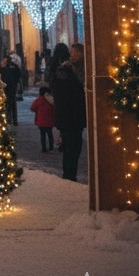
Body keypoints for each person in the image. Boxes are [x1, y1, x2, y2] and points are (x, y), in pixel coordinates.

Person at [52, 42, 87, 181]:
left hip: (73, 116)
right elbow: (64, 95)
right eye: (72, 53)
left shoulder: (78, 69)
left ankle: (70, 175)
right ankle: (69, 177)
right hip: (70, 116)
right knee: (71, 149)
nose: (73, 56)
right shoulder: (65, 71)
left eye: (76, 53)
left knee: (73, 147)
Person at [30, 85, 55, 153]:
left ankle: (44, 148)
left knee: (42, 135)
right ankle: (51, 147)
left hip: (41, 121)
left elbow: (32, 108)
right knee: (50, 134)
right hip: (50, 121)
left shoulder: (38, 100)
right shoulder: (51, 100)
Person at [0, 55, 21, 126]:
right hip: (11, 87)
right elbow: (18, 75)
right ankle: (13, 120)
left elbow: (1, 75)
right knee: (12, 104)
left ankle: (9, 119)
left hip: (8, 87)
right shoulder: (14, 66)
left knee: (8, 103)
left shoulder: (5, 67)